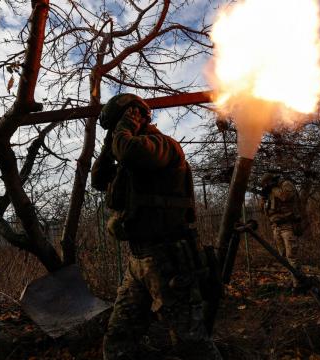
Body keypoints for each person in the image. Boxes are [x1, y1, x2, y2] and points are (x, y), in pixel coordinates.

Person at [91, 94, 222, 360]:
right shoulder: (126, 158)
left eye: (119, 125)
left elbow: (130, 151)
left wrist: (125, 129)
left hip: (168, 259)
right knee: (119, 339)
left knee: (190, 344)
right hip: (138, 261)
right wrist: (107, 146)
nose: (117, 132)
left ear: (134, 116)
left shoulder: (161, 145)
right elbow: (97, 179)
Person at [260, 172, 304, 290]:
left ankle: (298, 284)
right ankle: (293, 280)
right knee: (282, 256)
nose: (265, 187)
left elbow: (286, 197)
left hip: (288, 225)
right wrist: (263, 198)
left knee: (292, 255)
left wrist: (273, 189)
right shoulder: (269, 192)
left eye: (266, 184)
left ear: (271, 181)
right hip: (276, 227)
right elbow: (263, 211)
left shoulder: (285, 184)